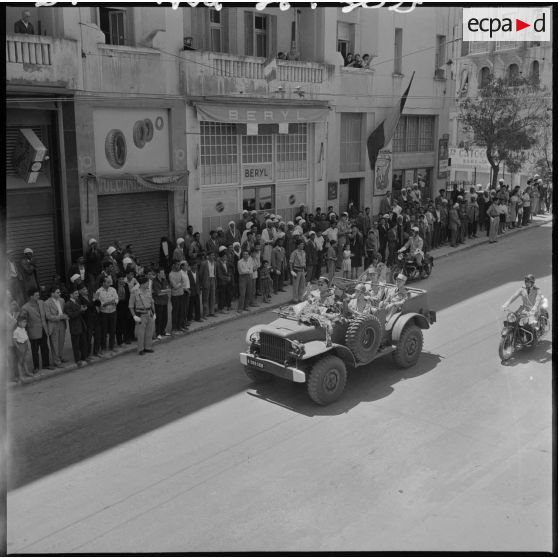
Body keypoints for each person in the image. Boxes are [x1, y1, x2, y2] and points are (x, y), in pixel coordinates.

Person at [20, 288, 54, 373]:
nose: (38, 296)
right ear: (31, 297)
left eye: (38, 295)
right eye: (36, 295)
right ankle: (36, 367)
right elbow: (23, 320)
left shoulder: (41, 303)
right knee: (35, 351)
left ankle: (46, 364)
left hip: (43, 329)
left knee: (45, 348)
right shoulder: (25, 307)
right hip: (33, 331)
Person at [129, 276, 156, 355]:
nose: (148, 284)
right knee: (141, 333)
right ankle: (140, 349)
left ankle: (148, 347)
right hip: (140, 314)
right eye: (147, 282)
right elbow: (130, 306)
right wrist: (134, 316)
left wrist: (154, 313)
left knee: (149, 331)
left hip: (149, 313)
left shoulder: (148, 291)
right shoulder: (135, 292)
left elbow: (152, 303)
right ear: (142, 284)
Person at [64, 287, 89, 367]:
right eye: (76, 293)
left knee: (83, 342)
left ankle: (84, 357)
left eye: (77, 293)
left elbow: (80, 312)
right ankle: (77, 360)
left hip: (81, 324)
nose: (77, 295)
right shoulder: (67, 304)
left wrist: (83, 310)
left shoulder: (78, 301)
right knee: (76, 344)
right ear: (71, 295)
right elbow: (71, 315)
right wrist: (80, 310)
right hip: (74, 326)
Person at [95, 275, 119, 355]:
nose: (110, 283)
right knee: (104, 331)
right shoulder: (98, 291)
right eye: (108, 282)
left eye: (110, 282)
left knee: (113, 330)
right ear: (103, 283)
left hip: (113, 312)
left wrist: (112, 302)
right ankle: (103, 347)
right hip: (104, 313)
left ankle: (112, 346)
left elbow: (116, 299)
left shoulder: (113, 289)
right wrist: (107, 303)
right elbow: (97, 303)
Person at [78, 283, 100, 359]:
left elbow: (97, 304)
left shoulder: (90, 296)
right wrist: (93, 300)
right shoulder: (79, 299)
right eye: (84, 289)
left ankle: (96, 351)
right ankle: (87, 354)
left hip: (95, 318)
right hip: (87, 320)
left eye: (86, 289)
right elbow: (87, 307)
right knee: (88, 338)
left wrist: (97, 299)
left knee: (97, 335)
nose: (86, 290)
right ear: (80, 291)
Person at [13, 315, 33, 382]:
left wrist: (28, 345)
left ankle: (27, 372)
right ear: (19, 323)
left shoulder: (24, 329)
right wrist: (18, 347)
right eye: (23, 322)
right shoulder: (16, 331)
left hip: (25, 345)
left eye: (25, 322)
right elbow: (14, 340)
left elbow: (26, 338)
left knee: (24, 360)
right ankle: (21, 376)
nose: (25, 323)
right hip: (20, 346)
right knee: (20, 361)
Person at [169, 260, 185, 333]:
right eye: (177, 265)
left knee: (181, 311)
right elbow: (174, 286)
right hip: (175, 295)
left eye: (179, 265)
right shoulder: (171, 274)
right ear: (174, 265)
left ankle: (180, 326)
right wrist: (180, 283)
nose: (178, 266)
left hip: (181, 294)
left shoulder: (180, 272)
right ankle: (174, 328)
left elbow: (183, 281)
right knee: (175, 311)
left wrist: (179, 284)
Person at [199, 251, 217, 318]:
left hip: (213, 279)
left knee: (212, 297)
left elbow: (215, 273)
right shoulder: (204, 263)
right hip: (206, 280)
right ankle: (205, 313)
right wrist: (201, 283)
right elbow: (200, 274)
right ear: (208, 256)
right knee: (205, 298)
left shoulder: (215, 263)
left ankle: (212, 312)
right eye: (211, 255)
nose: (213, 256)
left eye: (213, 255)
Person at [216, 247, 232, 312]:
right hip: (221, 282)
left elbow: (229, 270)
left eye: (226, 256)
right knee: (221, 295)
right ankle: (221, 308)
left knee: (228, 294)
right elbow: (219, 275)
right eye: (224, 257)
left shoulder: (226, 262)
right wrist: (227, 278)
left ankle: (228, 306)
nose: (226, 258)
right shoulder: (218, 264)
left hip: (227, 281)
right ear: (221, 257)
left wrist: (229, 276)